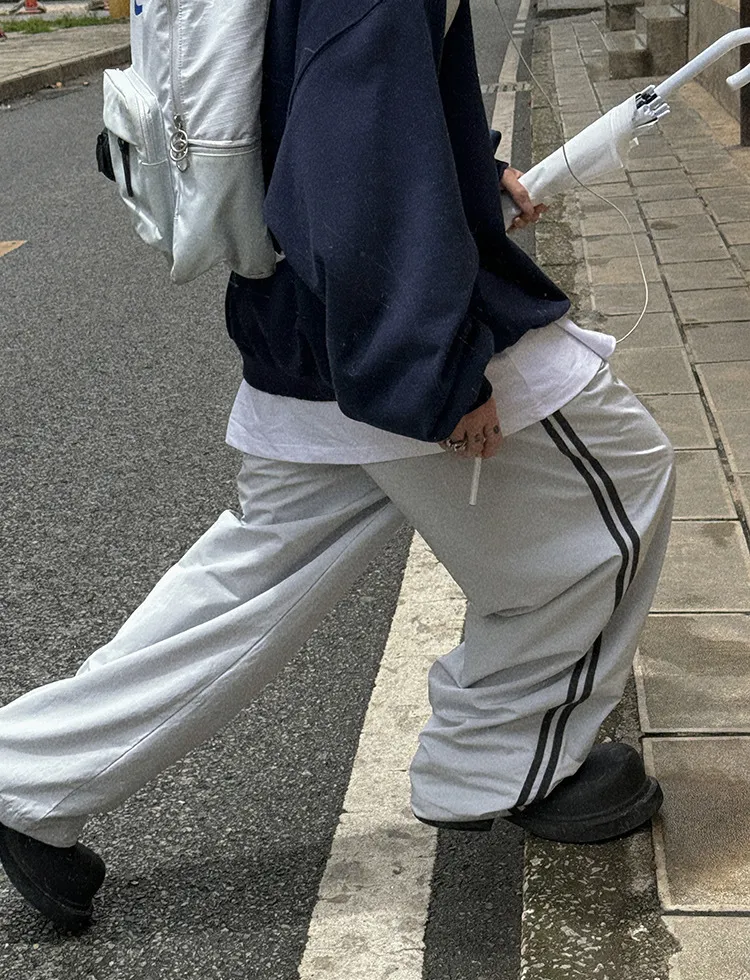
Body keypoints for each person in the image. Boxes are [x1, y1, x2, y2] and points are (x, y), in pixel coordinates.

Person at [0, 0, 674, 931]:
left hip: (303, 305)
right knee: (620, 494)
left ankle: (27, 775)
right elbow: (356, 153)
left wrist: (470, 174)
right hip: (377, 311)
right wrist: (434, 371)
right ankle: (509, 760)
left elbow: (323, 103)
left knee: (251, 581)